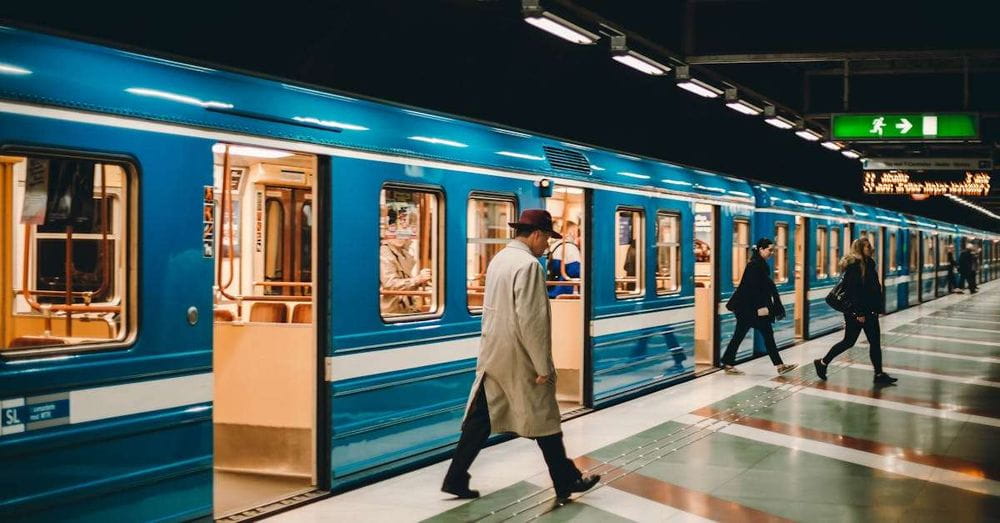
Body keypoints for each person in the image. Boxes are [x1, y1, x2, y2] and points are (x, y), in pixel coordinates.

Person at [441, 209, 599, 502]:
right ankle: (566, 481)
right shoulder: (528, 266)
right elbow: (532, 320)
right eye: (547, 239)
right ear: (536, 234)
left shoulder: (499, 259)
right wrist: (543, 365)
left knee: (481, 419)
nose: (547, 246)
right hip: (520, 357)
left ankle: (455, 477)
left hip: (494, 352)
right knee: (546, 420)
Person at [814, 238, 898, 385]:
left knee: (873, 342)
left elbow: (872, 288)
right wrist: (859, 313)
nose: (871, 248)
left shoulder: (869, 264)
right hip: (858, 313)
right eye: (867, 246)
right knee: (849, 342)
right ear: (860, 248)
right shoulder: (854, 266)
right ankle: (822, 363)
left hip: (869, 311)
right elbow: (854, 292)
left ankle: (878, 374)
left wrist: (877, 307)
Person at [720, 238, 798, 376]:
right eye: (770, 250)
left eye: (773, 250)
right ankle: (780, 365)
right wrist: (762, 307)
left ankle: (728, 362)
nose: (772, 253)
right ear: (761, 249)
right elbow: (752, 289)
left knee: (743, 335)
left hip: (747, 308)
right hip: (749, 309)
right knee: (764, 335)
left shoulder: (758, 264)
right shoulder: (755, 265)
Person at [379, 209, 432, 314]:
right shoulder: (384, 253)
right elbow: (390, 284)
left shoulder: (403, 253)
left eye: (405, 231)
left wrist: (420, 282)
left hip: (405, 308)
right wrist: (417, 279)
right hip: (391, 311)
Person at [547, 221, 581, 298]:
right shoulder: (570, 247)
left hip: (552, 291)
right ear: (571, 232)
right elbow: (576, 271)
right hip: (565, 293)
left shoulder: (554, 246)